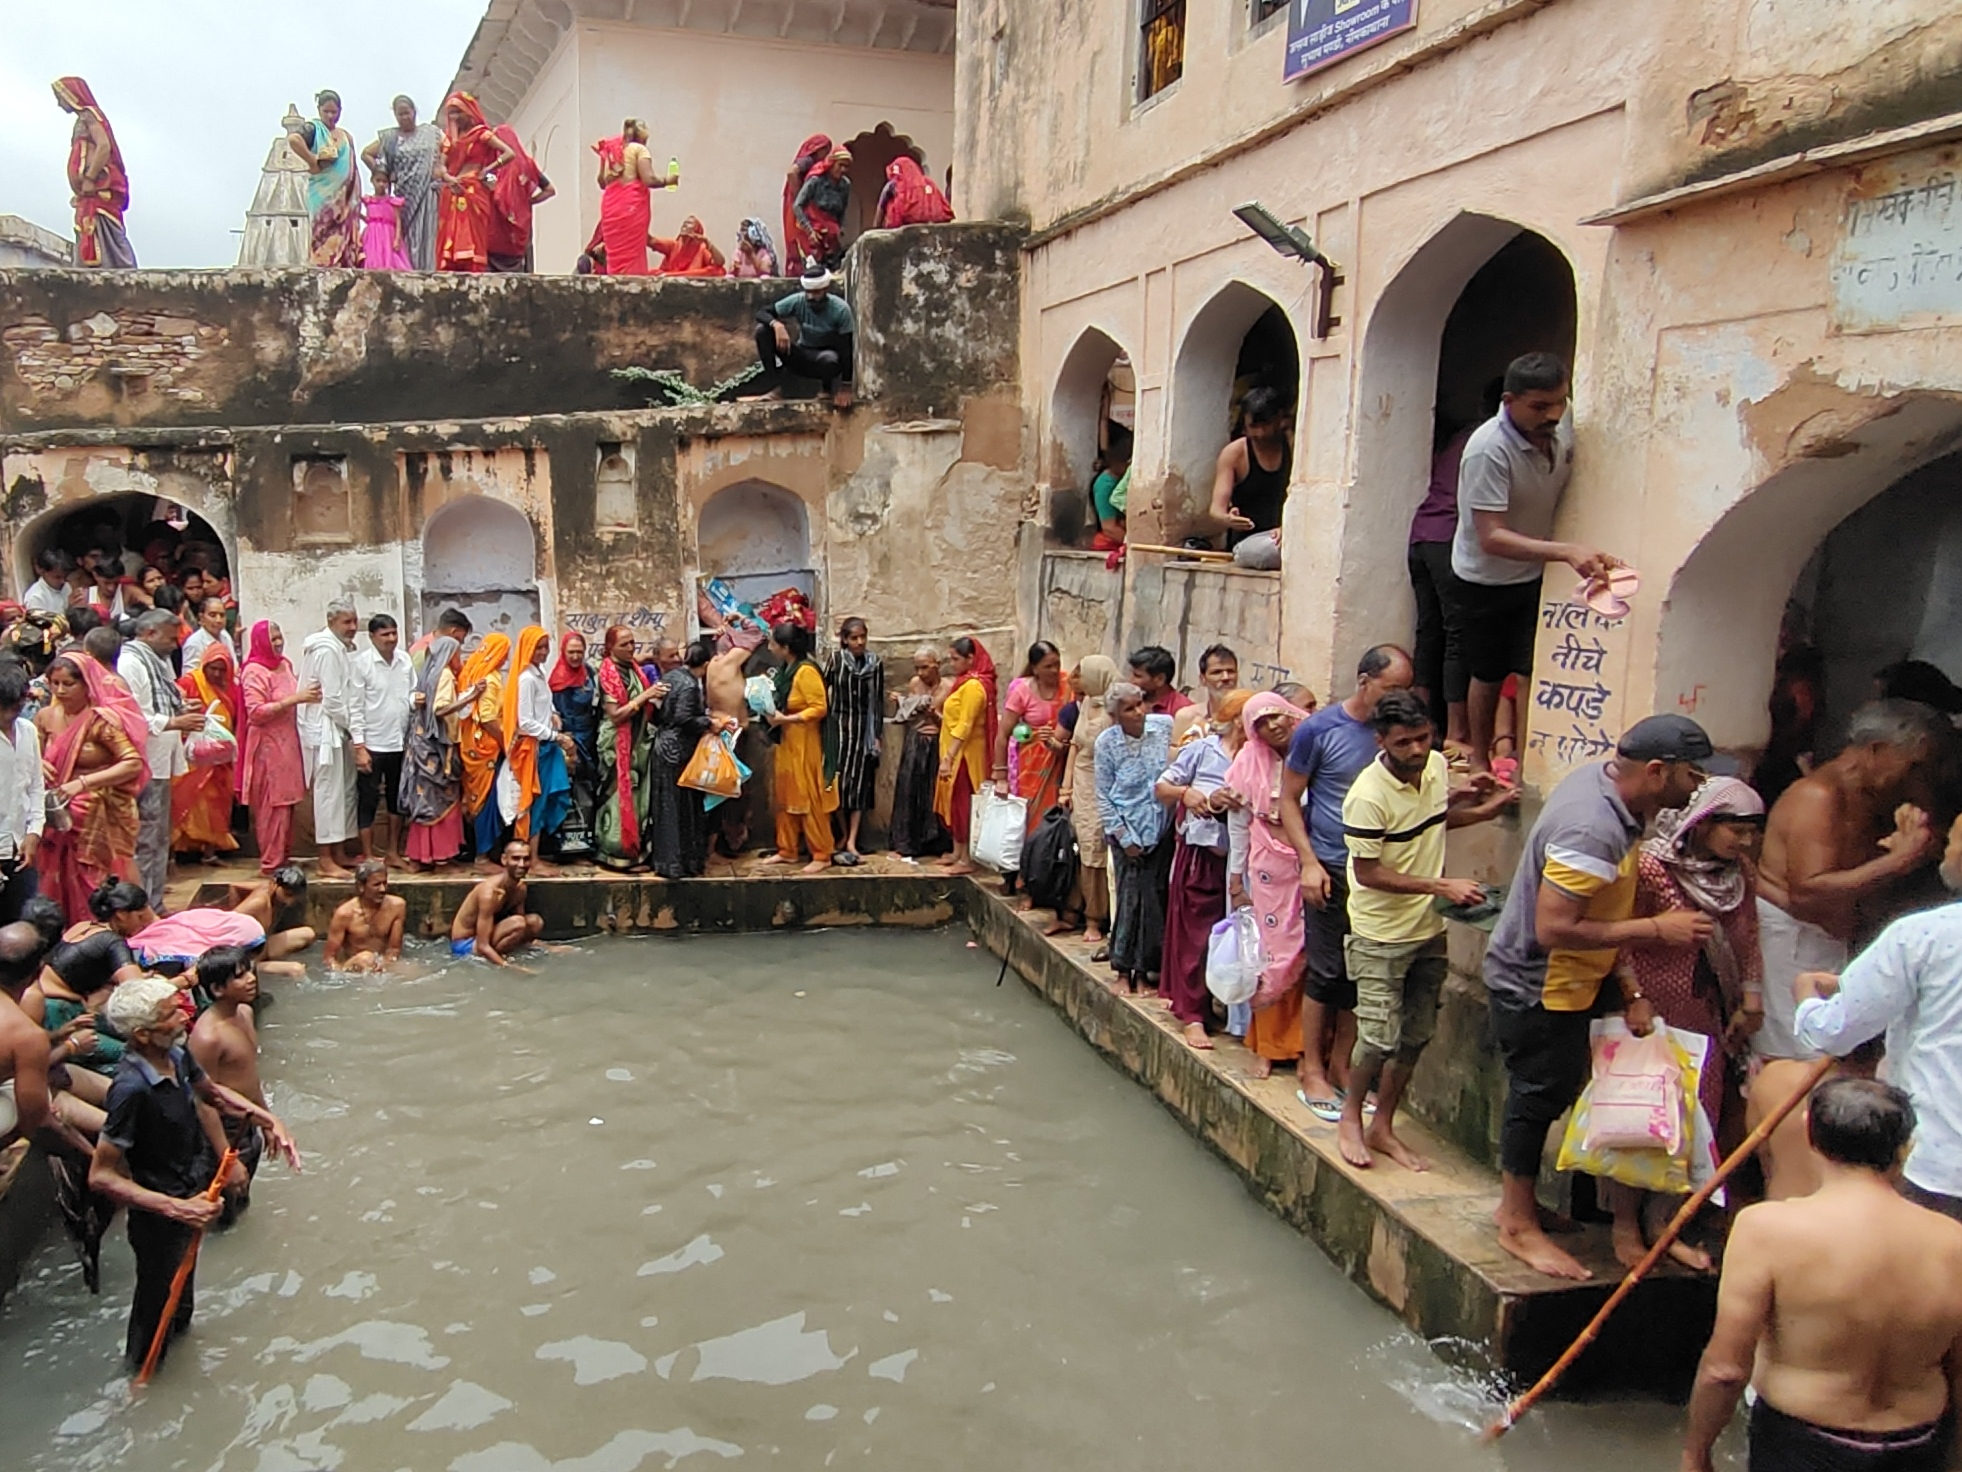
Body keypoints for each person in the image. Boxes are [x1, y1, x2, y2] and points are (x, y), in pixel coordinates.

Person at [1484, 714, 1711, 1280]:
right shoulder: (1593, 826)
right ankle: (1515, 1221)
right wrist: (1657, 931)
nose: (1699, 785)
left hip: (1577, 980)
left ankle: (1524, 1203)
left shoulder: (1608, 792)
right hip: (1539, 983)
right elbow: (1554, 927)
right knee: (1537, 1097)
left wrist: (1625, 986)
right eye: (1692, 773)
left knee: (1557, 1090)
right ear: (1657, 772)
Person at [1681, 1078, 1962, 1472]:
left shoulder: (1766, 1230)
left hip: (1805, 1442)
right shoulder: (1953, 1242)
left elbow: (1725, 1370)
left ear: (1809, 1132)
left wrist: (1696, 1453)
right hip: (1916, 1442)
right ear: (1905, 1148)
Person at [1753, 699, 1944, 1199]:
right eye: (1911, 763)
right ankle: (1785, 1185)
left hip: (1829, 942)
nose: (1913, 776)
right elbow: (1808, 890)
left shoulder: (1869, 799)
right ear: (1878, 750)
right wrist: (1898, 862)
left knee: (1825, 1059)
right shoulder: (1820, 796)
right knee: (1794, 1064)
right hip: (1796, 940)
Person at [1336, 690, 1516, 1171]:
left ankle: (1383, 1125)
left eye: (1423, 738)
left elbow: (1433, 821)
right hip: (1379, 933)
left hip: (1427, 929)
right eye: (1405, 743)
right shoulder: (1367, 797)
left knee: (1416, 1035)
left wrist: (1484, 809)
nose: (1416, 750)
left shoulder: (1435, 767)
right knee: (1376, 1037)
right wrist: (1442, 885)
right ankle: (1351, 1117)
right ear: (1381, 741)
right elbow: (1369, 872)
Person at [89, 975, 298, 1373]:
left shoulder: (177, 1056)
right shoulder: (131, 1090)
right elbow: (101, 1176)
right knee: (156, 1304)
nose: (186, 1016)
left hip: (194, 1191)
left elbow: (213, 1095)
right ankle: (141, 1379)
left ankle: (179, 1362)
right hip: (162, 1212)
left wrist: (267, 1120)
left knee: (181, 1297)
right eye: (172, 1014)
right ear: (144, 1034)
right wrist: (176, 1208)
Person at [1612, 776, 1766, 1269]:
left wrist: (1751, 996)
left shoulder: (1738, 874)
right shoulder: (1654, 867)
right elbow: (1618, 939)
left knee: (1696, 1119)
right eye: (1734, 830)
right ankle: (1624, 1226)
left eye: (1749, 833)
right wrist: (1633, 996)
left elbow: (1748, 936)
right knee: (1641, 1120)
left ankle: (1665, 1224)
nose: (1743, 842)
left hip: (1707, 1011)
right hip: (1653, 1010)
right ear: (1702, 823)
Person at [1788, 814, 1962, 1221]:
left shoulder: (1922, 937)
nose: (1945, 852)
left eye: (1952, 842)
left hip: (1938, 1161)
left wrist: (1806, 999)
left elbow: (1832, 1032)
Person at [1449, 352, 1615, 778]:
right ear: (1510, 401)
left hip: (1535, 571)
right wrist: (1564, 551)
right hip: (1484, 577)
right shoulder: (1488, 451)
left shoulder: (1560, 422)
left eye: (1560, 402)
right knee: (1486, 673)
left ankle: (1526, 765)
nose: (1554, 415)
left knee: (1529, 670)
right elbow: (1491, 536)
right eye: (1540, 407)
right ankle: (1481, 760)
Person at [1282, 645, 1416, 1119]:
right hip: (1333, 865)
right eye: (1391, 688)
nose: (1398, 698)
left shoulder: (1397, 734)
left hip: (1376, 872)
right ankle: (1311, 1065)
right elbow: (1289, 799)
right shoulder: (1320, 730)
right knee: (1325, 971)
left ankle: (1343, 1064)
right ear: (1365, 681)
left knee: (1361, 974)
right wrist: (1309, 863)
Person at [1224, 691, 1314, 1075]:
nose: (1273, 726)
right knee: (1269, 954)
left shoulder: (1314, 755)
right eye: (1261, 722)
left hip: (1310, 866)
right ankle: (1267, 1045)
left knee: (1309, 953)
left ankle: (1304, 1047)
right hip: (1266, 870)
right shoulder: (1247, 763)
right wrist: (1235, 877)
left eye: (1277, 716)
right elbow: (1239, 824)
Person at [1155, 689, 1249, 1048]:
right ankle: (1192, 1012)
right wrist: (1188, 796)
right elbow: (1163, 786)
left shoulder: (1261, 757)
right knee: (1197, 933)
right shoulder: (1202, 749)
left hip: (1248, 860)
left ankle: (1231, 1008)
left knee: (1239, 936)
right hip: (1204, 853)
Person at [1408, 387, 1497, 746]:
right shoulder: (1489, 444)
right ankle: (1457, 733)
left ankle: (1420, 718)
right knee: (1459, 633)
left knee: (1430, 630)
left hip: (1422, 533)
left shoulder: (1462, 437)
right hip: (1448, 537)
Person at [35, 655, 145, 922]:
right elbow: (31, 756)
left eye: (68, 684)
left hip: (99, 816)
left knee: (99, 878)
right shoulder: (45, 717)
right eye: (55, 683)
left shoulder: (100, 720)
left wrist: (83, 783)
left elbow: (132, 763)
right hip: (57, 812)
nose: (60, 691)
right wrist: (38, 764)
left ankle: (102, 928)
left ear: (87, 685)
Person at [1095, 683, 1175, 993]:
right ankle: (1122, 968)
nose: (1139, 712)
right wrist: (1123, 836)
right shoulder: (1107, 743)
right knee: (1129, 899)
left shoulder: (1163, 727)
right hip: (1126, 832)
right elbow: (1103, 795)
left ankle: (1145, 969)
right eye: (1130, 708)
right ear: (1116, 716)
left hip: (1159, 829)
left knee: (1153, 900)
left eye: (1140, 704)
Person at [118, 611, 200, 911]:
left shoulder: (157, 662)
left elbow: (158, 704)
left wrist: (181, 709)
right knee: (146, 837)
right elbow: (135, 715)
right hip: (145, 760)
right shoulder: (131, 663)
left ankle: (154, 902)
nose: (175, 644)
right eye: (170, 638)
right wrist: (176, 722)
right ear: (150, 633)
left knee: (158, 835)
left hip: (161, 759)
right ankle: (141, 906)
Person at [187, 946, 268, 1218]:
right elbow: (203, 1102)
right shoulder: (207, 1037)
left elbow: (249, 1075)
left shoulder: (244, 1012)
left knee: (241, 1200)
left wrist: (266, 1121)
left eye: (249, 971)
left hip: (247, 1123)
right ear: (218, 989)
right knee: (221, 1210)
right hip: (222, 1131)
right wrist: (226, 1159)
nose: (251, 979)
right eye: (240, 976)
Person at [239, 622, 317, 877]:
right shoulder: (254, 671)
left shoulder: (285, 665)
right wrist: (295, 699)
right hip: (267, 746)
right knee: (272, 807)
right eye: (272, 639)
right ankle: (271, 863)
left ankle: (283, 857)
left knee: (288, 804)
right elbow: (256, 712)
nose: (278, 642)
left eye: (280, 636)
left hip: (289, 743)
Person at [761, 622, 837, 873]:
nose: (770, 647)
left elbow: (820, 708)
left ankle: (822, 853)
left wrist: (787, 719)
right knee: (785, 796)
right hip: (787, 741)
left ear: (786, 648)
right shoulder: (785, 670)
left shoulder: (806, 671)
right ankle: (787, 849)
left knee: (809, 796)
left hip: (806, 742)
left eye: (773, 643)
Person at [995, 641, 1067, 896]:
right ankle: (1024, 879)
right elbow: (1003, 735)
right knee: (1028, 824)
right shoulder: (1022, 691)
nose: (1055, 670)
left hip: (1061, 763)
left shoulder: (1068, 686)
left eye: (1057, 664)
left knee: (1055, 823)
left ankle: (1051, 883)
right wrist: (1000, 775)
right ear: (1035, 668)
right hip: (1029, 768)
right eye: (1048, 666)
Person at [1058, 655, 1118, 948]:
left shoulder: (1115, 707)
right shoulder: (1087, 704)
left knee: (1097, 847)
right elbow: (1075, 747)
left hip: (1103, 783)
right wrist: (1066, 787)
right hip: (1082, 782)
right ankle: (1081, 910)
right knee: (1081, 844)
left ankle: (1098, 916)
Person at [299, 602, 361, 880]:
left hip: (337, 730)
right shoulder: (326, 649)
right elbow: (333, 700)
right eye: (346, 622)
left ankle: (339, 852)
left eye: (354, 621)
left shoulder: (337, 647)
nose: (352, 628)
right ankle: (325, 858)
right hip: (326, 730)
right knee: (328, 793)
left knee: (342, 792)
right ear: (332, 621)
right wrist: (357, 728)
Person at [399, 635, 472, 871]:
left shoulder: (426, 676)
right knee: (441, 800)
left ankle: (420, 857)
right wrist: (469, 698)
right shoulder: (446, 675)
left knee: (424, 802)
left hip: (421, 747)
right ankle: (441, 857)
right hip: (437, 749)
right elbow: (440, 710)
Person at [649, 638, 718, 879]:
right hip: (677, 749)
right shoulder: (690, 685)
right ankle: (681, 863)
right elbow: (683, 718)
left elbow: (656, 711)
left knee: (667, 807)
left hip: (663, 744)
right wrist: (710, 722)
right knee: (681, 808)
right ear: (706, 664)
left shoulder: (671, 677)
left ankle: (667, 861)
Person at [504, 626, 574, 866]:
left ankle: (535, 854)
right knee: (535, 802)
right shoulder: (525, 679)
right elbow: (525, 722)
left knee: (545, 800)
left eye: (546, 647)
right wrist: (556, 736)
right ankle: (530, 858)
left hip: (547, 746)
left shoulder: (538, 674)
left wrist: (554, 714)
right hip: (535, 749)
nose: (544, 652)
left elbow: (546, 706)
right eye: (539, 648)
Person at [52, 77, 136, 268]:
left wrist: (90, 178)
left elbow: (103, 146)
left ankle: (121, 271)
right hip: (87, 194)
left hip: (98, 188)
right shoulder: (83, 119)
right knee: (89, 230)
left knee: (107, 229)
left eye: (61, 97)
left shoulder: (89, 116)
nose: (59, 103)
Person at [351, 614, 414, 865]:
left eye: (394, 633)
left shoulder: (405, 660)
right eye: (385, 634)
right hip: (373, 744)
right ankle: (368, 855)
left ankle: (392, 852)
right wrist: (359, 746)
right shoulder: (362, 664)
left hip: (400, 742)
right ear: (372, 637)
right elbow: (354, 707)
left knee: (397, 800)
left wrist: (414, 701)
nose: (391, 639)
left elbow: (410, 694)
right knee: (368, 800)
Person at [594, 627, 657, 870]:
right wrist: (646, 695)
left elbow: (639, 659)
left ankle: (635, 852)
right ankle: (616, 853)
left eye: (633, 643)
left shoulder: (630, 667)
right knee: (618, 796)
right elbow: (617, 715)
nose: (631, 648)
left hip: (637, 742)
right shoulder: (608, 675)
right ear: (611, 648)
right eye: (625, 644)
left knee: (637, 796)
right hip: (616, 743)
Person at [170, 643, 239, 866]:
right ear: (204, 665)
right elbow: (176, 711)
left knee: (216, 804)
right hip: (193, 756)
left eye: (222, 669)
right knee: (185, 802)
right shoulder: (189, 682)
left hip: (219, 757)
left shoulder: (230, 688)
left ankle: (210, 852)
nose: (217, 674)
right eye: (213, 669)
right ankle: (172, 855)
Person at [934, 636, 997, 878]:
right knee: (954, 803)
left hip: (966, 756)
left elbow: (965, 725)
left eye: (956, 659)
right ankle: (957, 851)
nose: (953, 663)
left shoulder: (974, 687)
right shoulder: (964, 683)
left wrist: (949, 757)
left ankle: (968, 857)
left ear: (971, 659)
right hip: (957, 752)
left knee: (965, 805)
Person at [825, 619, 885, 864]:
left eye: (862, 637)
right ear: (845, 640)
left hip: (863, 731)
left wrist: (877, 736)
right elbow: (821, 690)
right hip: (839, 728)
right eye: (854, 638)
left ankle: (852, 839)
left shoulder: (875, 664)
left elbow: (878, 701)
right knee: (838, 783)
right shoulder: (836, 661)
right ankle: (840, 835)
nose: (859, 642)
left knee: (860, 784)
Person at [755, 263, 857, 408]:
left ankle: (826, 390)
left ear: (825, 290)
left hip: (825, 361)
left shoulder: (840, 310)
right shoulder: (798, 301)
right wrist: (776, 324)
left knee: (831, 360)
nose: (811, 297)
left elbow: (847, 348)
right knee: (762, 331)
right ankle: (776, 387)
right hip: (801, 354)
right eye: (808, 292)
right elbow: (762, 313)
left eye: (816, 293)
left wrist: (846, 386)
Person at [361, 95, 444, 271]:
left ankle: (427, 271)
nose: (404, 117)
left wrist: (440, 170)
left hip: (427, 193)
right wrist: (382, 173)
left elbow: (446, 150)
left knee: (427, 233)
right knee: (405, 235)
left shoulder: (431, 133)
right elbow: (366, 153)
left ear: (414, 112)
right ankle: (409, 269)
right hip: (403, 194)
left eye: (407, 113)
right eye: (400, 114)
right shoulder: (390, 137)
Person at [435, 93, 515, 274]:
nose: (455, 118)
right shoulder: (449, 140)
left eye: (458, 112)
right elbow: (440, 168)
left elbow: (509, 153)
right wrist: (449, 178)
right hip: (454, 190)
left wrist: (489, 169)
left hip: (475, 189)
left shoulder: (481, 135)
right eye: (451, 114)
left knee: (474, 232)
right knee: (452, 233)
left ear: (468, 111)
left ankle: (474, 266)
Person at [288, 90, 363, 268]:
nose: (330, 116)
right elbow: (293, 140)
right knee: (322, 233)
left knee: (344, 236)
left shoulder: (346, 136)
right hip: (322, 195)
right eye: (326, 112)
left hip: (345, 197)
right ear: (319, 110)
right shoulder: (313, 128)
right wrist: (312, 160)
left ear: (340, 111)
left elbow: (352, 164)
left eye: (334, 112)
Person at [1208, 386, 1292, 546]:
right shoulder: (1234, 454)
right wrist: (1228, 518)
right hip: (1249, 543)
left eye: (1266, 425)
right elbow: (1216, 510)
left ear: (1279, 418)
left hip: (1287, 535)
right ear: (1245, 425)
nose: (1260, 433)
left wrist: (1286, 528)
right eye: (1254, 427)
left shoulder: (1293, 445)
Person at [456, 631, 512, 866]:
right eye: (504, 653)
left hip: (475, 745)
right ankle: (482, 854)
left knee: (480, 797)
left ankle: (486, 850)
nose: (506, 658)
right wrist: (505, 743)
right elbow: (488, 719)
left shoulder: (477, 675)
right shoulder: (489, 680)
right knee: (484, 800)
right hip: (484, 749)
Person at [592, 119, 675, 276]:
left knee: (615, 253)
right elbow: (649, 179)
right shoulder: (639, 149)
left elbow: (602, 182)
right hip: (630, 206)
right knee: (633, 251)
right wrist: (668, 180)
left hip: (610, 208)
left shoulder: (610, 150)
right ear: (642, 136)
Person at [890, 647, 951, 861]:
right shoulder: (915, 684)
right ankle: (907, 843)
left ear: (937, 664)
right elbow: (909, 714)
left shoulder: (948, 688)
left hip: (936, 741)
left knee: (934, 793)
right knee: (909, 790)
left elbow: (949, 723)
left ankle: (939, 844)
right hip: (916, 740)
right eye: (917, 668)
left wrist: (934, 715)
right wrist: (902, 703)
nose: (921, 672)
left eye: (925, 667)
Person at [548, 632, 601, 860]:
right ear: (563, 652)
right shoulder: (558, 679)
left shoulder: (588, 672)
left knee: (589, 786)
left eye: (579, 651)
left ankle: (587, 839)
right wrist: (568, 744)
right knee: (570, 788)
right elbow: (558, 715)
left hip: (589, 735)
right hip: (571, 738)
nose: (576, 656)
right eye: (571, 652)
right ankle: (564, 843)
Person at [449, 839, 545, 965]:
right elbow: (483, 945)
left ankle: (500, 955)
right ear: (504, 860)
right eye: (515, 858)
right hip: (466, 945)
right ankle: (497, 959)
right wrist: (510, 967)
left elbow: (523, 931)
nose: (521, 864)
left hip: (490, 936)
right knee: (518, 923)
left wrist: (547, 947)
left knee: (534, 922)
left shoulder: (520, 888)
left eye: (526, 859)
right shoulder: (489, 893)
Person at [0, 664, 45, 925]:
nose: (7, 715)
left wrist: (34, 831)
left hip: (19, 848)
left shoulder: (28, 732)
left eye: (14, 707)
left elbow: (35, 786)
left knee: (23, 926)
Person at [486, 124, 554, 272]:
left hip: (496, 230)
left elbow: (490, 191)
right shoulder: (527, 164)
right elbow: (550, 190)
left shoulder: (493, 167)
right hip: (520, 228)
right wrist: (528, 202)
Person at [323, 860, 406, 972]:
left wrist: (385, 966)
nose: (383, 889)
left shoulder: (397, 906)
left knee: (415, 971)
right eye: (376, 885)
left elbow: (394, 949)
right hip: (353, 965)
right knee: (366, 958)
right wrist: (341, 973)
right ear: (361, 887)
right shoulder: (344, 914)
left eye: (384, 883)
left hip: (381, 964)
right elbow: (329, 958)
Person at [224, 866, 316, 967]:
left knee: (308, 933)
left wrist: (234, 905)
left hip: (260, 945)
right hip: (246, 955)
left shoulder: (266, 886)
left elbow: (234, 886)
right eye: (287, 894)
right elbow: (228, 926)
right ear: (274, 884)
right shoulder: (259, 903)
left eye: (294, 897)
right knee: (295, 969)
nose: (290, 902)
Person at [793, 146, 853, 270]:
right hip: (813, 234)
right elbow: (797, 206)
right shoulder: (815, 181)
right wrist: (810, 231)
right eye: (840, 165)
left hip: (831, 237)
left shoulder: (845, 185)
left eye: (846, 167)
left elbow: (842, 211)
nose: (843, 170)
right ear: (832, 164)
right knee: (814, 270)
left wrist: (839, 230)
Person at [1171, 643, 1240, 750]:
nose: (1226, 677)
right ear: (1203, 679)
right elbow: (1173, 760)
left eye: (1230, 671)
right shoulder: (1187, 717)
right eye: (1217, 672)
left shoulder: (1247, 716)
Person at [782, 134, 834, 271]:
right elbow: (792, 173)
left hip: (797, 205)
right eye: (826, 149)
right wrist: (800, 198)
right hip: (797, 207)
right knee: (801, 240)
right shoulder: (808, 160)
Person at [876, 155, 955, 228]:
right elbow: (941, 207)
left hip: (902, 225)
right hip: (930, 225)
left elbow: (881, 205)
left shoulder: (895, 184)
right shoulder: (928, 183)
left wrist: (876, 228)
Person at [358, 168, 412, 271]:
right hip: (372, 233)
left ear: (388, 184)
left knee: (389, 255)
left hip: (388, 233)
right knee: (373, 255)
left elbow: (398, 220)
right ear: (372, 181)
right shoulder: (369, 200)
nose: (381, 184)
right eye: (378, 181)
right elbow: (368, 218)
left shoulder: (392, 201)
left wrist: (396, 238)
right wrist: (361, 216)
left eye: (384, 181)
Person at [1089, 427, 1132, 551]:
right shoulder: (1105, 485)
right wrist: (1131, 546)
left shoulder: (1123, 479)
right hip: (1111, 542)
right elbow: (1109, 528)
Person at [1126, 646, 1192, 718]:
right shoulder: (1127, 701)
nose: (1131, 681)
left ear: (1160, 679)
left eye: (1137, 676)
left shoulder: (1184, 710)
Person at [653, 216, 726, 276]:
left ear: (697, 230)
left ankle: (673, 275)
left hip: (689, 282)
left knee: (718, 270)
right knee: (652, 272)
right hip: (667, 279)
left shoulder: (701, 248)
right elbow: (654, 242)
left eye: (689, 223)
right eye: (684, 223)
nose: (685, 225)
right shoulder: (674, 245)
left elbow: (720, 262)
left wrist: (707, 242)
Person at [180, 597, 236, 673]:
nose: (218, 620)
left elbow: (235, 666)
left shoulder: (225, 635)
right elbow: (190, 676)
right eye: (213, 615)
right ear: (201, 618)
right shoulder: (194, 643)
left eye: (222, 615)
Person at [25, 548, 75, 616]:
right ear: (43, 572)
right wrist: (68, 608)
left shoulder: (66, 587)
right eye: (57, 577)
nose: (62, 581)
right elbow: (41, 624)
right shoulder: (36, 597)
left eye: (65, 577)